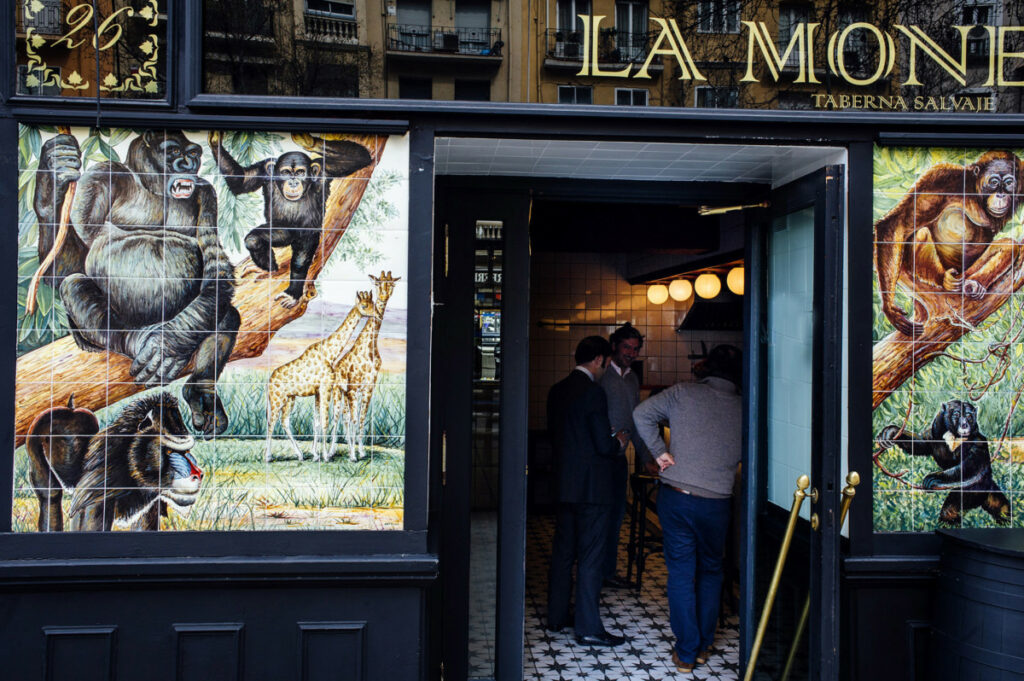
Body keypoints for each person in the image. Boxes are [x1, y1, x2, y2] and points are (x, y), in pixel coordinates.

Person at [632, 344, 743, 673]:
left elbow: (641, 414)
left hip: (678, 496)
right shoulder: (746, 405)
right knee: (711, 571)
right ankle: (704, 645)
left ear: (706, 368)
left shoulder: (682, 393)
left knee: (681, 573)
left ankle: (685, 653)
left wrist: (658, 453)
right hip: (717, 501)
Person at [546, 336, 630, 647]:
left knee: (563, 553)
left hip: (563, 486)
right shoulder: (593, 393)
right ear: (599, 359)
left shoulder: (557, 390)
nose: (606, 367)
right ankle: (588, 628)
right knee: (592, 557)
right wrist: (619, 440)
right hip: (593, 489)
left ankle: (556, 617)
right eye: (606, 362)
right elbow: (601, 444)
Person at [597, 323, 653, 589]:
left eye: (636, 349)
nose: (631, 353)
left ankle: (606, 572)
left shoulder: (632, 379)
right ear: (614, 346)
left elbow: (636, 421)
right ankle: (592, 574)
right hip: (599, 459)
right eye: (627, 347)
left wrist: (646, 456)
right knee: (598, 519)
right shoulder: (600, 375)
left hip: (618, 460)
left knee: (616, 518)